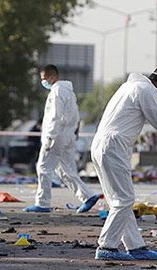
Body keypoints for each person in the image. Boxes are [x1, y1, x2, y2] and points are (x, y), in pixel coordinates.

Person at [91, 66, 157, 261]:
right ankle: (106, 246)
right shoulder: (146, 90)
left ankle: (135, 246)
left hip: (101, 144)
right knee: (124, 200)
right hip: (114, 146)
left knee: (119, 201)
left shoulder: (130, 86)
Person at [24, 65, 101, 214]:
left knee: (43, 168)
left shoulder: (57, 91)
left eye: (44, 79)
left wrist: (50, 137)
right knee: (66, 170)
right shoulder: (69, 92)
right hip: (68, 136)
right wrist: (74, 133)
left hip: (57, 136)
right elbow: (75, 116)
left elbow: (55, 116)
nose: (43, 82)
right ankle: (88, 196)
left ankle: (42, 203)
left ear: (52, 77)